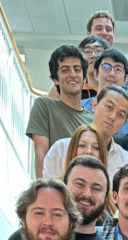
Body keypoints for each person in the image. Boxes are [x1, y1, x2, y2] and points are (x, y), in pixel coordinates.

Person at [0, 156, 126, 240]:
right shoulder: (24, 239)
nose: (87, 193)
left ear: (106, 197)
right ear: (64, 186)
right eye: (79, 184)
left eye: (96, 188)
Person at [44, 85, 128, 179]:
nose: (113, 117)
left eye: (121, 115)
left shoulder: (127, 162)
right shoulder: (61, 149)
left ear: (124, 122)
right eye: (109, 107)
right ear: (94, 105)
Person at [28, 45, 93, 178]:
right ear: (55, 79)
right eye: (65, 70)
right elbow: (41, 152)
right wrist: (44, 190)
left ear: (84, 78)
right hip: (55, 188)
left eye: (77, 69)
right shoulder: (44, 106)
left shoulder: (92, 119)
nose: (73, 75)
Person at [81, 47, 128, 112]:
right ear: (96, 74)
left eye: (118, 69)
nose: (112, 74)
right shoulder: (80, 107)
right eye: (106, 67)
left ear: (125, 78)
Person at [79, 36, 110, 100]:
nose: (93, 55)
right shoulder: (75, 93)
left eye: (98, 51)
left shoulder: (117, 92)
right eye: (87, 51)